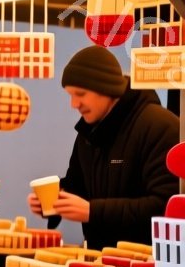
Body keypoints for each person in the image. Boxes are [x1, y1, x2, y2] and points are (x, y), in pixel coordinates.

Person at [28, 45, 180, 249]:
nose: (74, 104)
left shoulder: (161, 126)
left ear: (106, 87)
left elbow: (166, 205)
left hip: (147, 266)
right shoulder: (88, 132)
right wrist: (55, 201)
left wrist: (93, 211)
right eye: (70, 95)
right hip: (98, 262)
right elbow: (78, 186)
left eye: (80, 94)